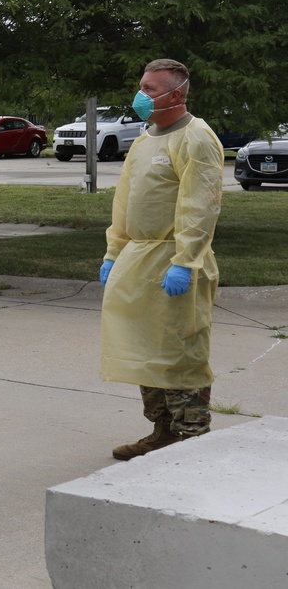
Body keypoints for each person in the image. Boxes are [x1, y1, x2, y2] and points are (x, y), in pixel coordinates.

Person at [100, 58, 224, 461]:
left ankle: (193, 440)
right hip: (139, 258)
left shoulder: (196, 137)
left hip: (176, 261)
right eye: (142, 86)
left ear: (176, 93)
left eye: (150, 89)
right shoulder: (144, 138)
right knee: (145, 349)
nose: (141, 95)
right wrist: (114, 251)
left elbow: (199, 206)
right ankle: (163, 432)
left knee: (179, 351)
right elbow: (125, 201)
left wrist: (185, 260)